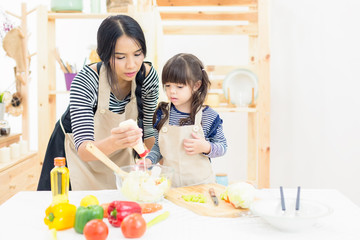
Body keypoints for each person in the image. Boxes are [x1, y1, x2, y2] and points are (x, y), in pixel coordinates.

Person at [37, 15, 159, 191]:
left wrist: (152, 166)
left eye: (137, 54)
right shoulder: (86, 80)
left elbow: (148, 131)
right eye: (121, 57)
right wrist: (118, 141)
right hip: (74, 159)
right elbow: (85, 150)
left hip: (117, 157)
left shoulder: (147, 76)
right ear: (105, 55)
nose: (132, 65)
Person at [138, 53, 227, 187]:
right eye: (167, 85)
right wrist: (149, 160)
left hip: (201, 187)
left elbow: (222, 147)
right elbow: (158, 146)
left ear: (196, 85)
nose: (172, 91)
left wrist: (206, 147)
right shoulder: (163, 113)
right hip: (170, 187)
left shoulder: (208, 116)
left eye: (179, 87)